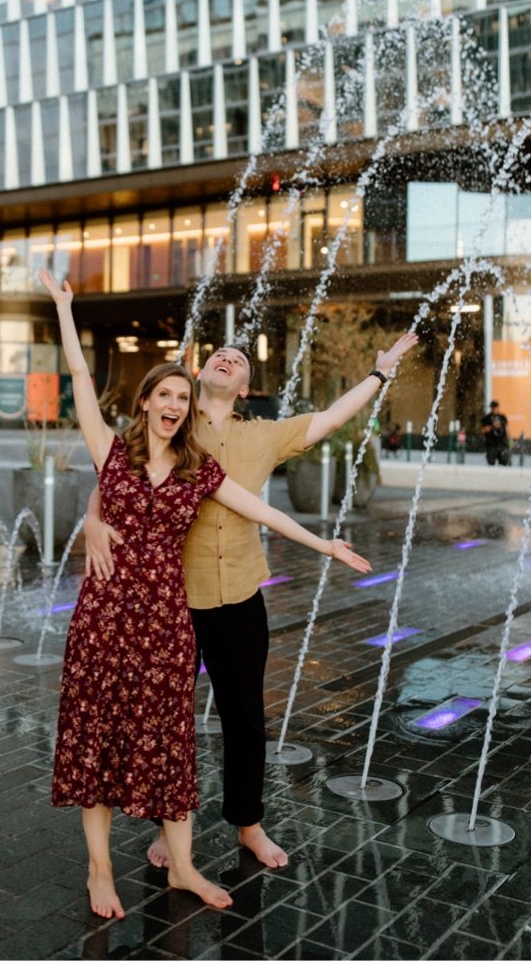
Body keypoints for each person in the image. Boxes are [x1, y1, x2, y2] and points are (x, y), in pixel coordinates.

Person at [37, 270, 370, 920]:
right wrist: (63, 308)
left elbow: (260, 512)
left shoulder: (197, 471)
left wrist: (323, 544)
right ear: (145, 402)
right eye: (164, 394)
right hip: (106, 617)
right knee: (99, 735)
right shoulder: (111, 454)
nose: (173, 405)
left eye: (181, 400)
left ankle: (182, 864)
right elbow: (79, 378)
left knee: (168, 738)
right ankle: (99, 869)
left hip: (167, 620)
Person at [85, 330, 417, 871]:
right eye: (219, 354)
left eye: (238, 360)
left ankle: (248, 823)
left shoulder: (265, 435)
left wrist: (379, 373)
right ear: (199, 376)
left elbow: (331, 417)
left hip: (239, 593)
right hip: (170, 600)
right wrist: (91, 519)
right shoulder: (171, 419)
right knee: (165, 720)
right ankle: (169, 830)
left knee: (244, 717)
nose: (227, 358)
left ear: (245, 388)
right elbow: (115, 468)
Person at [482, 401, 510, 466]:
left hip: (502, 443)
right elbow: (483, 430)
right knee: (491, 462)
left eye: (497, 408)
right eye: (494, 408)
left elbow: (507, 429)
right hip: (491, 444)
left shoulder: (502, 417)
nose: (495, 410)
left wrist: (509, 441)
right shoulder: (487, 418)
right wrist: (492, 426)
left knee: (504, 462)